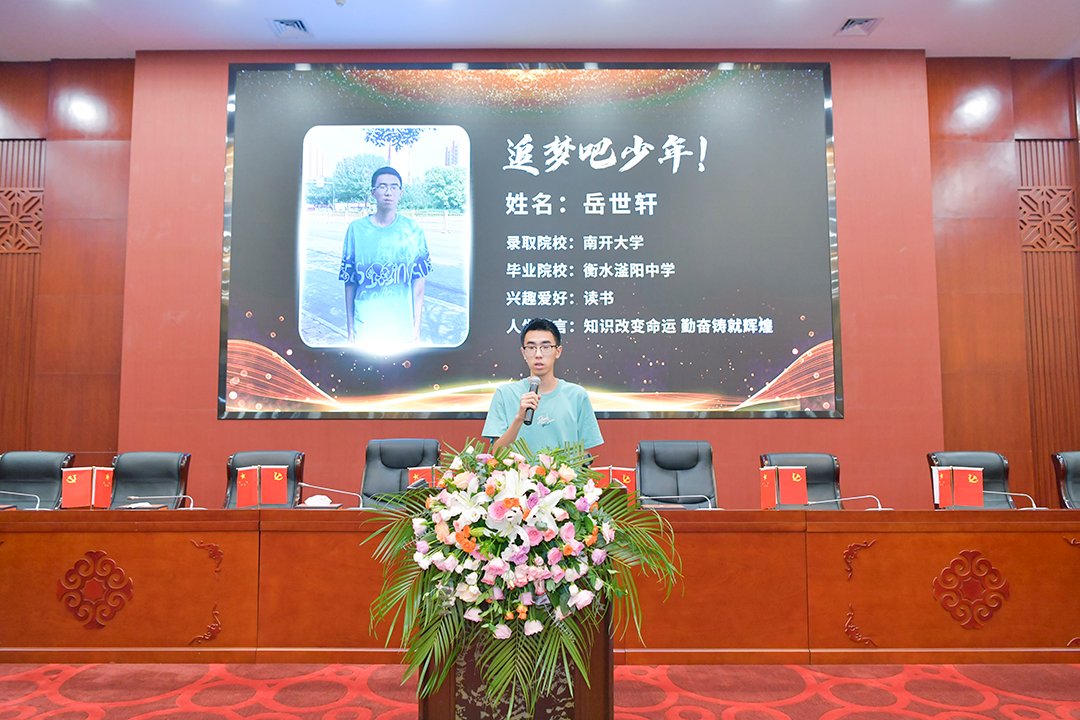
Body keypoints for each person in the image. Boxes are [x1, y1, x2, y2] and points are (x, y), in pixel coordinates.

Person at [339, 167, 432, 346]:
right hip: (366, 331)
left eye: (394, 187)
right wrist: (351, 329)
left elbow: (419, 283)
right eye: (382, 186)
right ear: (373, 192)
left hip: (402, 332)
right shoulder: (355, 230)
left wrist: (416, 329)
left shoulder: (413, 229)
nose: (388, 192)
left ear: (401, 193)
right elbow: (350, 283)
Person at [482, 318, 604, 451]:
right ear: (524, 353)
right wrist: (519, 418)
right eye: (531, 347)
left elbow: (584, 455)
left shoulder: (577, 395)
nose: (538, 354)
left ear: (558, 351)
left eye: (545, 347)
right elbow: (497, 453)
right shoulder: (505, 394)